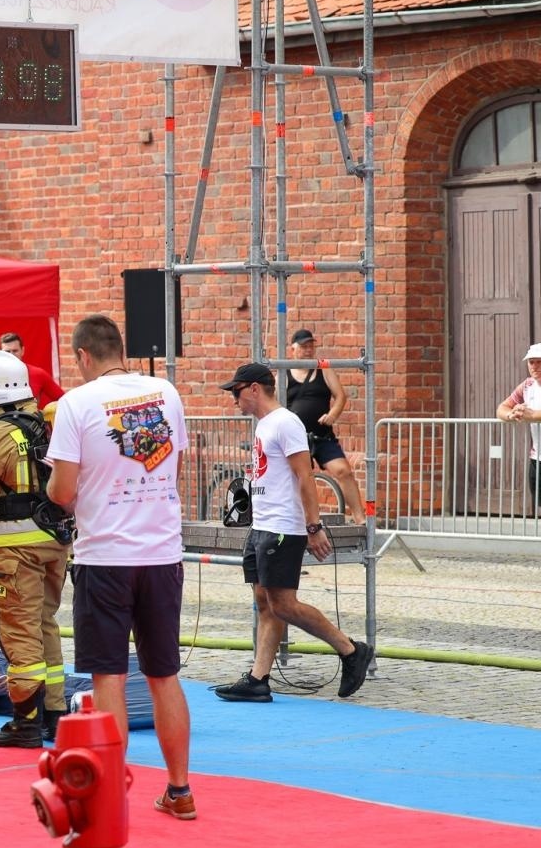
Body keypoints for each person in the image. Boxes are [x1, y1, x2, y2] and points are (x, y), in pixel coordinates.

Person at [44, 314, 196, 821]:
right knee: (163, 675)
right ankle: (179, 790)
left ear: (84, 356)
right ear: (121, 350)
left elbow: (63, 492)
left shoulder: (75, 403)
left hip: (105, 554)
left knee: (108, 677)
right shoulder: (166, 393)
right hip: (160, 553)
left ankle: (109, 796)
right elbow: (174, 469)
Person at [215, 363, 375, 702]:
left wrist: (313, 527)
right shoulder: (264, 425)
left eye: (236, 391)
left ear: (255, 389)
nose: (233, 399)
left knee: (283, 604)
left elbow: (305, 477)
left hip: (283, 528)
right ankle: (259, 679)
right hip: (263, 525)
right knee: (264, 602)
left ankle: (350, 650)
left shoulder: (285, 423)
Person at [0, 349, 74, 748]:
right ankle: (55, 714)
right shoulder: (49, 424)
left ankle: (26, 721)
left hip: (17, 549)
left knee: (19, 630)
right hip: (55, 542)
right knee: (45, 625)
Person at [286, 328, 365, 524]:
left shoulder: (324, 369)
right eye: (303, 347)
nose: (308, 350)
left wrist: (332, 415)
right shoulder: (283, 372)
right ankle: (301, 520)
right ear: (292, 349)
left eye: (311, 346)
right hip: (296, 438)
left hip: (322, 435)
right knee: (299, 479)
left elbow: (340, 396)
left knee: (343, 471)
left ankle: (360, 517)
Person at [0, 331, 65, 427]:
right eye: (7, 352)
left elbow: (64, 400)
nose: (11, 355)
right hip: (2, 432)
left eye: (15, 351)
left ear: (22, 350)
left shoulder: (38, 374)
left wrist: (47, 416)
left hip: (31, 432)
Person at [496, 342, 541, 512]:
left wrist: (528, 414)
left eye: (539, 361)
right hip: (537, 458)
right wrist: (511, 415)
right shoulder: (527, 385)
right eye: (531, 362)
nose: (535, 366)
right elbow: (501, 408)